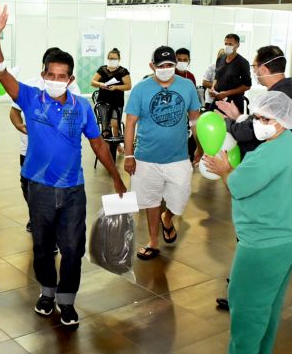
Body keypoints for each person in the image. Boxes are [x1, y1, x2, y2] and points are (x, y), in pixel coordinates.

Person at [0, 2, 126, 328]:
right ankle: (47, 292)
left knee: (73, 249)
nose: (55, 80)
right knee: (42, 247)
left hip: (73, 189)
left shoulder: (81, 107)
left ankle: (67, 300)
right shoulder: (30, 98)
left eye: (61, 76)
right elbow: (1, 73)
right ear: (43, 75)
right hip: (39, 187)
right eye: (50, 75)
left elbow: (97, 143)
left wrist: (116, 177)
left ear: (70, 79)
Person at [203, 92, 292, 354]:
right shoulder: (288, 142)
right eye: (257, 117)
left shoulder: (271, 153)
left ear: (282, 121)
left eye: (265, 119)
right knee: (267, 303)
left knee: (246, 301)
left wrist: (224, 170)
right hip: (288, 232)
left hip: (266, 239)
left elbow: (238, 185)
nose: (258, 123)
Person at [124, 46, 201, 261]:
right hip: (146, 157)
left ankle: (167, 218)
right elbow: (130, 123)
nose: (166, 69)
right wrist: (129, 155)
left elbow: (195, 120)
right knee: (150, 201)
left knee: (180, 197)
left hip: (178, 157)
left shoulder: (187, 86)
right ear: (152, 66)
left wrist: (200, 145)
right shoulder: (140, 89)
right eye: (161, 65)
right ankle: (153, 241)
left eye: (170, 65)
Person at [11, 48, 82, 233]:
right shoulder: (30, 85)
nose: (56, 79)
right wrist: (20, 126)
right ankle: (36, 216)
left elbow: (77, 117)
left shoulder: (72, 88)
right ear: (44, 68)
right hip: (29, 150)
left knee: (57, 188)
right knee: (28, 185)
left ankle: (53, 222)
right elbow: (14, 111)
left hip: (59, 153)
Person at [217, 46, 292, 159]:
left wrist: (225, 121)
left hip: (266, 158)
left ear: (263, 69)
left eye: (254, 66)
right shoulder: (289, 91)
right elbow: (256, 125)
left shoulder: (277, 99)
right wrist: (238, 116)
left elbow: (243, 132)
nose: (254, 71)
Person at [90, 48, 131, 141]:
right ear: (108, 59)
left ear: (119, 59)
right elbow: (93, 82)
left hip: (117, 101)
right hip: (103, 100)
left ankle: (116, 142)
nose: (112, 60)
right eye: (111, 58)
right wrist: (100, 84)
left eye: (115, 59)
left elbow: (128, 86)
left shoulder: (123, 71)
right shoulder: (102, 69)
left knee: (115, 123)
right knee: (105, 126)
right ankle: (106, 143)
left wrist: (116, 87)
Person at [210, 34, 251, 113]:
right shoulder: (220, 59)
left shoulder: (243, 63)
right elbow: (217, 76)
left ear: (237, 45)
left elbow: (247, 86)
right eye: (226, 44)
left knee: (229, 120)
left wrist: (227, 93)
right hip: (219, 99)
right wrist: (213, 88)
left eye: (230, 44)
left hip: (234, 102)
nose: (227, 46)